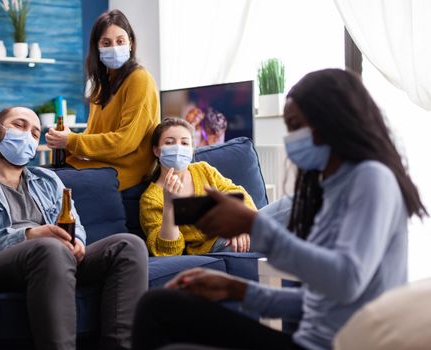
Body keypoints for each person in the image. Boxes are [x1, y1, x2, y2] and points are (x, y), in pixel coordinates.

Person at [131, 69, 428, 350]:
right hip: (306, 338)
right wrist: (236, 290)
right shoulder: (332, 187)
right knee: (158, 305)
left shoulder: (371, 178)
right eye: (290, 128)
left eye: (297, 126)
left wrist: (253, 225)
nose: (291, 138)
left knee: (163, 319)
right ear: (157, 149)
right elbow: (317, 303)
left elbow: (347, 281)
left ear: (334, 119)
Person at [0, 107, 148, 350]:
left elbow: (75, 224)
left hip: (56, 259)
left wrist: (77, 241)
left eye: (35, 133)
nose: (28, 135)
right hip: (2, 264)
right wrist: (28, 236)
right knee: (49, 247)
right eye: (20, 125)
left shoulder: (49, 180)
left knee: (128, 245)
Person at [45, 9, 160, 191]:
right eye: (106, 43)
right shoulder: (100, 86)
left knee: (45, 183)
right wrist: (64, 139)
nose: (114, 47)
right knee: (36, 177)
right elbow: (93, 134)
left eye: (120, 41)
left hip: (127, 171)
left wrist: (71, 141)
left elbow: (126, 142)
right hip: (99, 165)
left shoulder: (140, 79)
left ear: (130, 43)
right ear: (97, 48)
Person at [139, 117, 255, 256]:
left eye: (184, 143)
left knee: (286, 208)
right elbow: (167, 252)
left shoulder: (203, 170)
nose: (178, 148)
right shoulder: (151, 199)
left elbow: (238, 193)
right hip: (216, 245)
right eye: (170, 142)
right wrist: (169, 205)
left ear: (192, 150)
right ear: (157, 151)